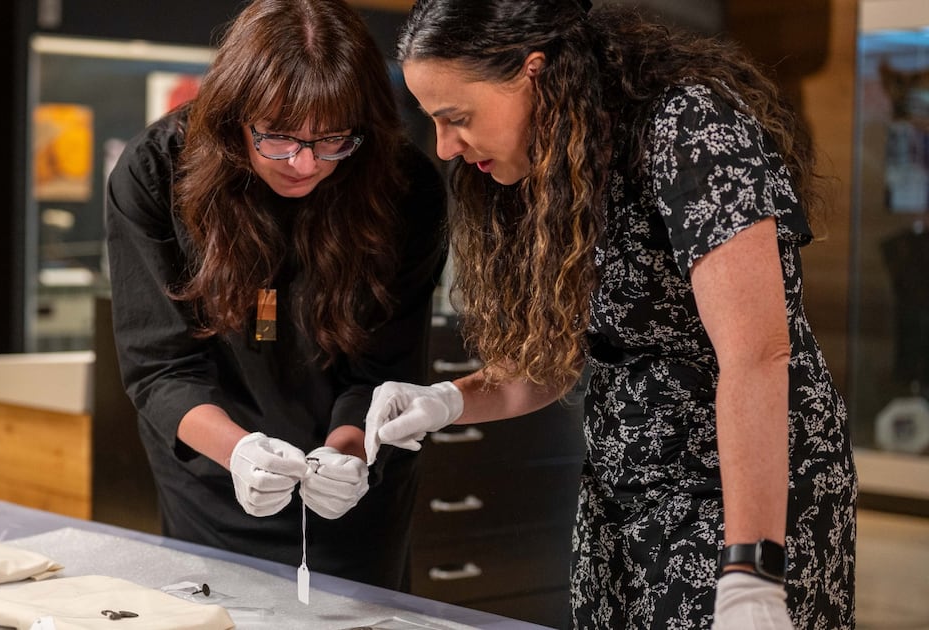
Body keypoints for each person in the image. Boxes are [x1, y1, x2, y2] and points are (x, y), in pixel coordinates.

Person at [363, 0, 857, 627]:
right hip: (620, 498)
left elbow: (757, 354)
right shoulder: (549, 167)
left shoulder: (688, 131)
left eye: (456, 117)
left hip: (741, 501)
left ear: (533, 71)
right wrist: (448, 401)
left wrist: (752, 566)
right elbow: (548, 363)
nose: (446, 146)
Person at [104, 0, 447, 591]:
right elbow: (159, 368)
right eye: (280, 137)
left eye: (333, 139)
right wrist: (239, 452)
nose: (306, 163)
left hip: (353, 487)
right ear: (236, 116)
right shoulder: (155, 172)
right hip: (212, 479)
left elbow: (386, 368)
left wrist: (347, 456)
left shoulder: (404, 187)